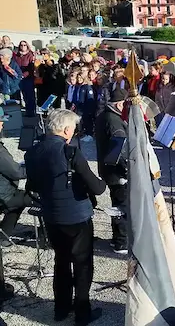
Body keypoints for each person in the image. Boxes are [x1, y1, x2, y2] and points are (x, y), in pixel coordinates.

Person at [25, 109, 106, 325]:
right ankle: (82, 313)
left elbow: (31, 185)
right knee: (82, 264)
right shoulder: (70, 152)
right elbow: (97, 188)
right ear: (67, 129)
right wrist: (105, 181)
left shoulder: (32, 153)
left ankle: (61, 309)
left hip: (52, 217)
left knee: (60, 261)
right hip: (77, 217)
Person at [95, 88, 128, 254]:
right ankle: (121, 241)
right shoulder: (114, 120)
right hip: (116, 172)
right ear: (120, 104)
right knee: (122, 205)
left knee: (117, 203)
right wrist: (127, 170)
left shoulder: (103, 115)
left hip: (107, 168)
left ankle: (118, 238)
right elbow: (119, 149)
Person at [0, 107, 32, 244]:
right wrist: (32, 168)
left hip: (3, 192)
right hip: (3, 196)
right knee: (36, 198)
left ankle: (4, 236)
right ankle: (46, 236)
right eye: (0, 122)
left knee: (18, 201)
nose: (2, 125)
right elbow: (16, 173)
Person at [13, 41, 36, 116]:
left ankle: (31, 112)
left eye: (24, 45)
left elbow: (31, 68)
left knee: (29, 96)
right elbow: (14, 65)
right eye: (21, 45)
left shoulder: (30, 55)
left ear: (27, 46)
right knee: (18, 95)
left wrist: (23, 75)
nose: (23, 46)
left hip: (28, 78)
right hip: (17, 78)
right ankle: (18, 111)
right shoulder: (16, 55)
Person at [77, 71, 96, 142]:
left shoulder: (88, 87)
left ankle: (90, 134)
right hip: (82, 108)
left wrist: (90, 110)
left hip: (87, 108)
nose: (79, 79)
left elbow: (90, 98)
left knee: (88, 121)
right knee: (85, 121)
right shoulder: (81, 87)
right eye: (78, 78)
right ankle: (87, 133)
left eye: (80, 78)